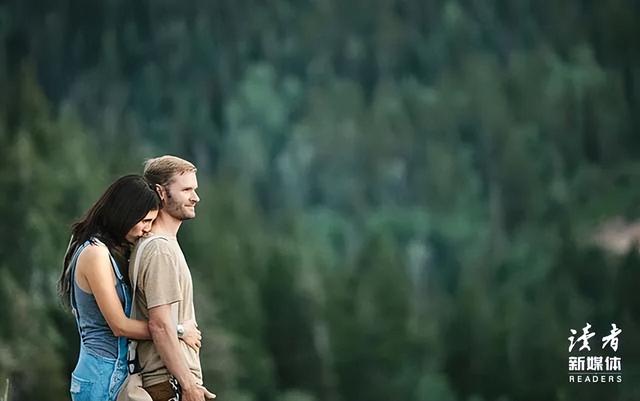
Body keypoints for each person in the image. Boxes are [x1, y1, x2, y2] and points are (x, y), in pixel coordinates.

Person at [59, 175, 203, 401]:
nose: (147, 230)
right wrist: (178, 331)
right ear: (124, 214)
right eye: (145, 221)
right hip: (101, 376)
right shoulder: (95, 254)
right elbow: (119, 325)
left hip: (115, 374)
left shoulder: (109, 251)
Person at [129, 156, 215, 401]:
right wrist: (189, 385)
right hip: (170, 384)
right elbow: (160, 324)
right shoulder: (159, 250)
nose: (195, 197)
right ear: (161, 193)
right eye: (186, 189)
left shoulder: (159, 245)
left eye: (195, 189)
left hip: (172, 382)